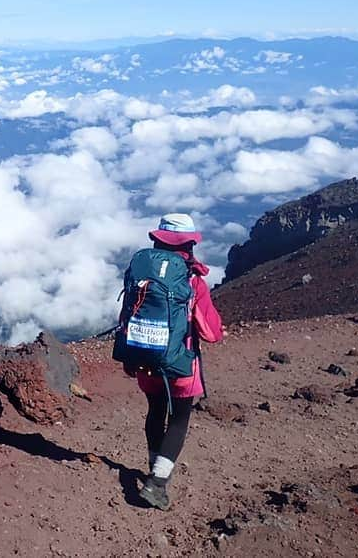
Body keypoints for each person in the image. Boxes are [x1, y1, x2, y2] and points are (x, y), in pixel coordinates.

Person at [131, 213, 223, 511]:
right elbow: (211, 333)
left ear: (157, 240)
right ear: (189, 245)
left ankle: (153, 465)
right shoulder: (193, 281)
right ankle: (156, 483)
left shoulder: (139, 274)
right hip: (180, 365)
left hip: (144, 359)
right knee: (180, 418)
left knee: (155, 410)